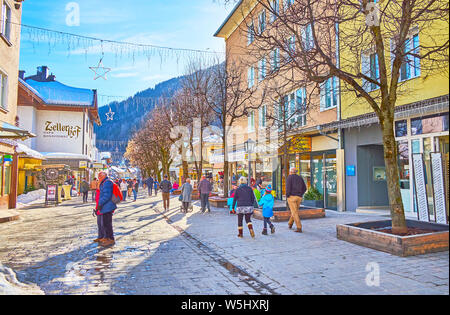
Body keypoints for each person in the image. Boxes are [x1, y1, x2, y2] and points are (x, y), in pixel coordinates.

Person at [95, 171, 117, 247]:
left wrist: (100, 203)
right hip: (105, 206)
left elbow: (107, 195)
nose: (99, 177)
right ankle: (106, 237)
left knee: (107, 224)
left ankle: (110, 239)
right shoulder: (104, 182)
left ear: (104, 176)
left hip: (107, 206)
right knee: (105, 223)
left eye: (100, 176)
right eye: (98, 176)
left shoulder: (107, 182)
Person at [286, 167, 307, 233]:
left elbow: (288, 188)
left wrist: (287, 195)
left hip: (292, 197)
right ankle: (290, 223)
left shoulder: (289, 177)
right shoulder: (300, 178)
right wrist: (301, 194)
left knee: (294, 212)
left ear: (290, 172)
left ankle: (299, 227)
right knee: (294, 211)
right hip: (299, 197)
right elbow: (305, 188)